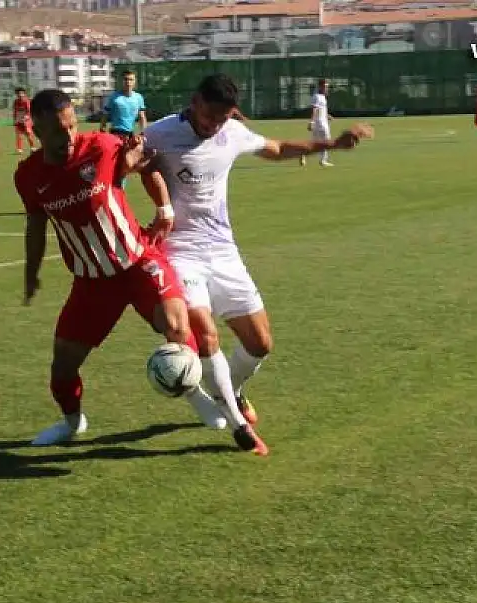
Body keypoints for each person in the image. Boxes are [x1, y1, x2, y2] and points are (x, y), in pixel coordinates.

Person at [18, 88, 268, 456]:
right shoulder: (28, 176)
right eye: (58, 130)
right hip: (92, 284)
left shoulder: (101, 146)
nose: (68, 136)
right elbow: (36, 225)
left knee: (180, 328)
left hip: (139, 263)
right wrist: (31, 271)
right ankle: (72, 423)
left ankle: (233, 421)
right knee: (62, 369)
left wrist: (164, 209)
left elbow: (146, 161)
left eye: (72, 126)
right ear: (36, 130)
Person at [139, 73, 372, 433]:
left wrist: (332, 145)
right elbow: (127, 162)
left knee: (260, 343)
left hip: (223, 251)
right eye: (209, 117)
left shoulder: (230, 132)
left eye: (222, 118)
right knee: (204, 333)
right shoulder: (159, 133)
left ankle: (228, 387)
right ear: (195, 101)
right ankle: (232, 418)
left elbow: (277, 149)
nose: (214, 126)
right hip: (180, 252)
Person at [100, 70, 147, 139]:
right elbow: (105, 116)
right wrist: (102, 131)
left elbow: (142, 117)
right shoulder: (113, 97)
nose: (128, 82)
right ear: (122, 81)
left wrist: (143, 132)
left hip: (130, 134)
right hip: (115, 133)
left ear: (135, 81)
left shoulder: (138, 97)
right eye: (126, 79)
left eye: (131, 79)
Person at [301, 78, 334, 167]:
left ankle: (303, 154)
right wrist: (311, 122)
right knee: (326, 141)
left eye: (327, 87)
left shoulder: (323, 97)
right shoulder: (317, 96)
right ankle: (323, 160)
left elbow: (321, 110)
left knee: (314, 143)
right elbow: (314, 109)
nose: (326, 88)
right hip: (320, 123)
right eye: (325, 86)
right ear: (320, 86)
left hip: (321, 122)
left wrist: (327, 115)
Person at [12, 87, 36, 154]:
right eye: (18, 93)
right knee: (19, 134)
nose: (19, 95)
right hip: (18, 119)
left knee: (28, 133)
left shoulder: (26, 101)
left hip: (26, 120)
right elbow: (15, 111)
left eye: (21, 93)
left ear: (24, 94)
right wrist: (14, 119)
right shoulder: (15, 102)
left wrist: (26, 117)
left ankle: (32, 147)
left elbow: (29, 111)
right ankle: (19, 149)